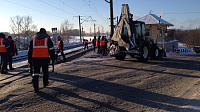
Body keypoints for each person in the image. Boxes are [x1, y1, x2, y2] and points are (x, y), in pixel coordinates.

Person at [28, 28, 56, 93]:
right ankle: (45, 83)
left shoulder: (33, 39)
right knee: (45, 71)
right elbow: (51, 49)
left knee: (36, 73)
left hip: (35, 58)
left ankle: (36, 87)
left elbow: (30, 51)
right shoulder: (47, 39)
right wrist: (53, 58)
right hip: (45, 58)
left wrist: (29, 59)